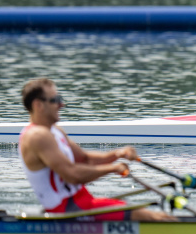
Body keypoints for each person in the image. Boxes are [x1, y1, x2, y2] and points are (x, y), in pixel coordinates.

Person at [18, 78, 174, 222]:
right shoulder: (37, 136)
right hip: (66, 210)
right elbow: (72, 175)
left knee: (155, 215)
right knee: (150, 217)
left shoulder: (55, 131)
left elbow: (85, 159)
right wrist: (113, 168)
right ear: (38, 105)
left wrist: (118, 154)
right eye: (55, 100)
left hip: (81, 201)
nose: (61, 104)